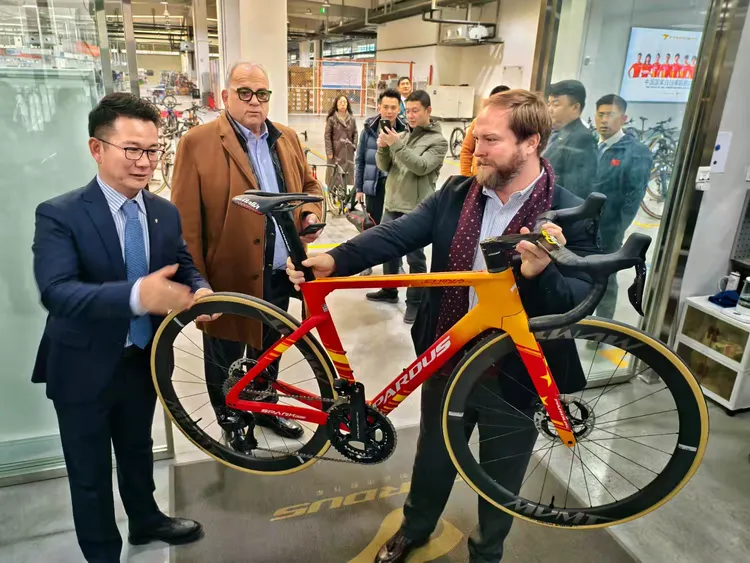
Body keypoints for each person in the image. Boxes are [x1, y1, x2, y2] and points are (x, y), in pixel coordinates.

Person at [287, 89, 600, 563]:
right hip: (448, 356)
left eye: (490, 140)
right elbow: (397, 234)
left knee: (503, 475)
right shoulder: (458, 193)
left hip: (517, 375)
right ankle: (415, 527)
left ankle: (487, 552)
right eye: (474, 136)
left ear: (530, 142)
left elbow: (579, 298)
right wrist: (336, 260)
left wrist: (543, 273)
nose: (474, 149)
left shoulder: (570, 213)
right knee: (433, 456)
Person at [31, 93, 208, 563]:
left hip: (142, 359)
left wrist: (202, 290)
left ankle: (146, 520)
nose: (145, 162)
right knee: (89, 472)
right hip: (82, 365)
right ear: (97, 148)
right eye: (132, 149)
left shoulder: (163, 211)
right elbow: (57, 292)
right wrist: (136, 296)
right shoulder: (60, 214)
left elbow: (183, 262)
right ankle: (103, 553)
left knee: (137, 450)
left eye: (152, 150)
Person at [170, 61, 324, 448]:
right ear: (226, 96)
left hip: (280, 272)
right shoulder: (197, 143)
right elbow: (185, 223)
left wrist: (309, 214)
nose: (254, 101)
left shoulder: (286, 138)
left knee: (270, 349)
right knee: (224, 353)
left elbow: (309, 186)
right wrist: (195, 283)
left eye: (262, 93)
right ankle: (232, 419)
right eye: (244, 92)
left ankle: (265, 407)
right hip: (228, 276)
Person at [366, 89, 449, 324]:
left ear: (428, 111)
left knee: (415, 258)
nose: (410, 116)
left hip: (416, 208)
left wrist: (396, 145)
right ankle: (389, 290)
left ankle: (415, 301)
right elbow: (384, 166)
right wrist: (383, 147)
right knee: (387, 251)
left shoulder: (438, 142)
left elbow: (421, 166)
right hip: (392, 202)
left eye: (415, 111)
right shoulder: (402, 135)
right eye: (408, 111)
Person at [592, 94, 652, 319]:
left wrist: (618, 228)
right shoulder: (591, 146)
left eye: (610, 115)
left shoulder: (635, 151)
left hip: (609, 228)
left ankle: (603, 325)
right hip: (584, 225)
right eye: (600, 114)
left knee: (606, 278)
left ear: (624, 118)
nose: (604, 120)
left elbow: (634, 196)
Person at [543, 79, 597, 199]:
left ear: (575, 107)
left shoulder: (582, 138)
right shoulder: (554, 133)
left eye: (556, 104)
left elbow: (575, 190)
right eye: (549, 104)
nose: (550, 109)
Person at [459, 84, 511, 176]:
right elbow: (466, 150)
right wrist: (466, 176)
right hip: (478, 177)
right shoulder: (477, 122)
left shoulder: (513, 125)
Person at [324, 94, 357, 188]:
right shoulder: (331, 119)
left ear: (347, 104)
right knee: (334, 174)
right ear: (336, 104)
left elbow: (355, 133)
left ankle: (345, 193)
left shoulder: (352, 119)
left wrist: (354, 146)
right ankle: (332, 192)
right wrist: (329, 151)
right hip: (335, 152)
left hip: (348, 152)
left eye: (344, 102)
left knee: (347, 176)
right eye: (340, 102)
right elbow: (327, 136)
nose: (342, 104)